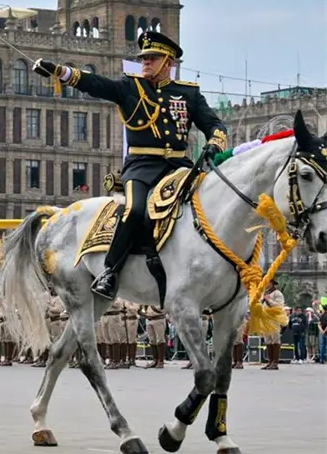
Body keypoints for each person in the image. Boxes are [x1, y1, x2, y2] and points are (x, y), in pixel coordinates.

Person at [32, 31, 227, 300]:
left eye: (152, 58)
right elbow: (96, 83)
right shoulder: (130, 87)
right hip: (142, 166)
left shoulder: (188, 94)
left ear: (168, 62)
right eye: (144, 58)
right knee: (135, 210)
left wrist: (215, 142)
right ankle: (110, 271)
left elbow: (214, 124)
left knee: (204, 209)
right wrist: (60, 72)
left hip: (178, 168)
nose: (145, 63)